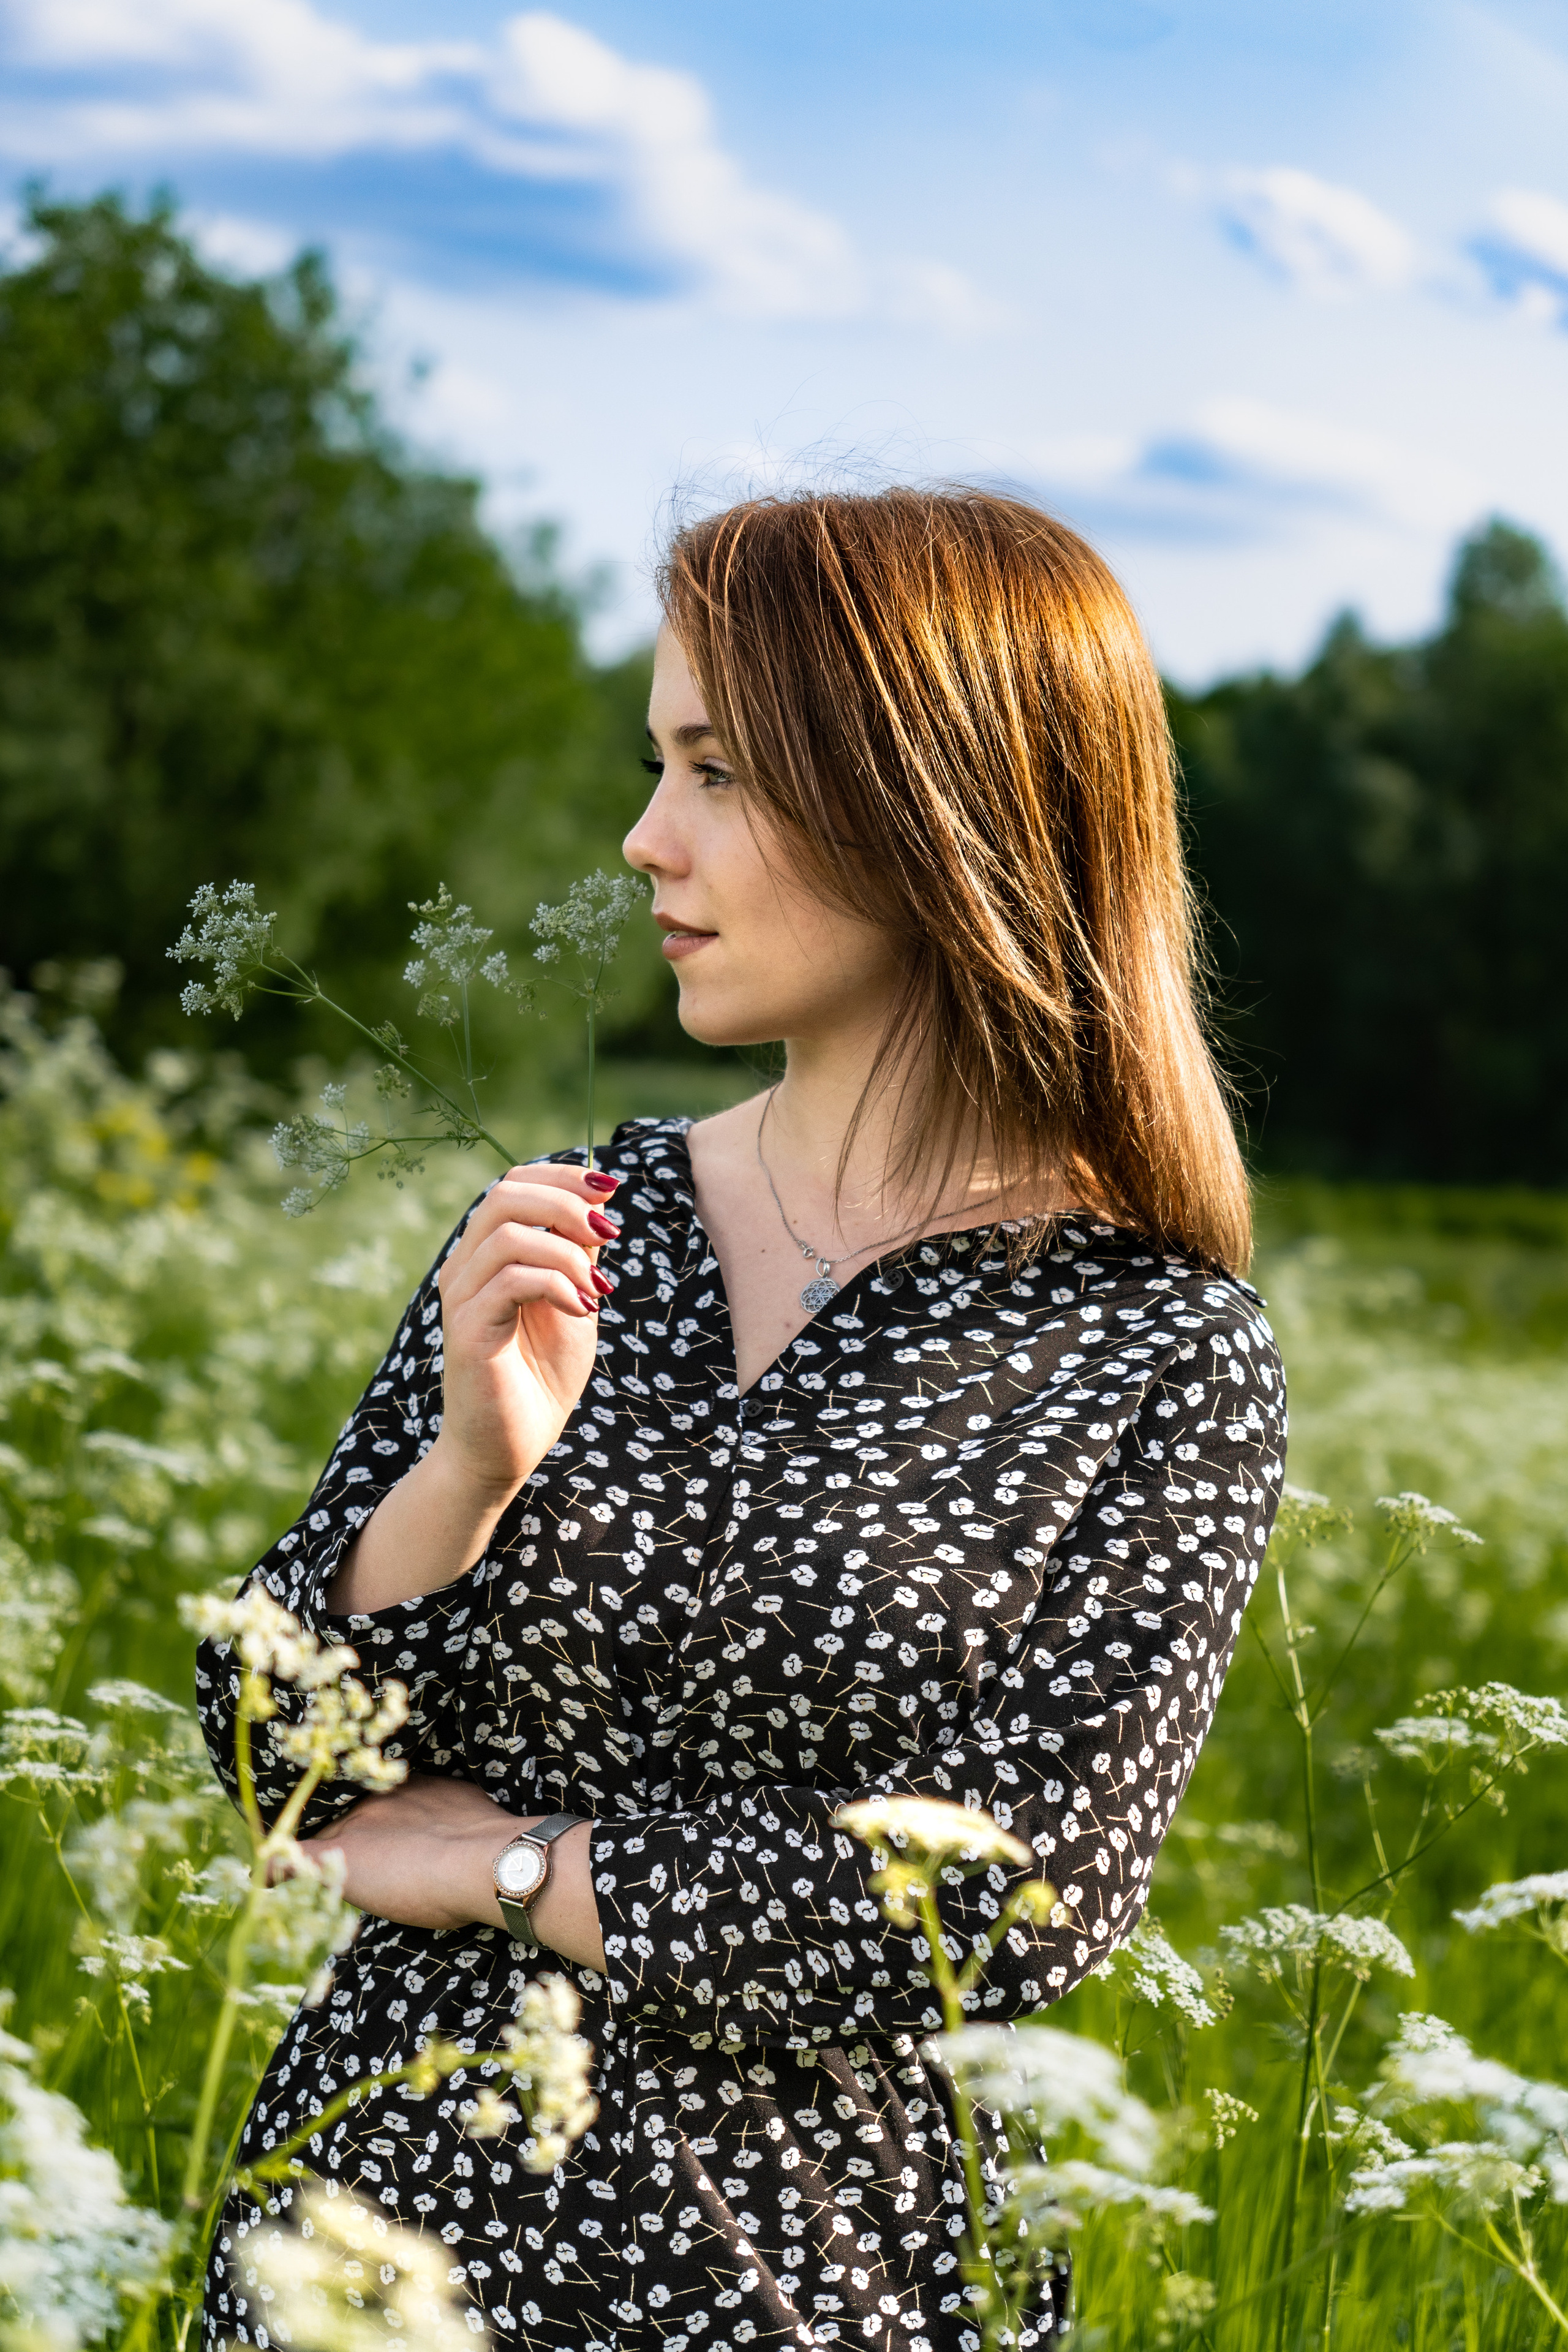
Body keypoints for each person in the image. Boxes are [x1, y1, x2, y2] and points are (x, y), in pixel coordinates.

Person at [197, 486, 1286, 2352]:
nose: (643, 839)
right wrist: (466, 1473)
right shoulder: (574, 1226)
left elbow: (1011, 1896)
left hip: (803, 2283)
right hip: (367, 2249)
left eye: (715, 771)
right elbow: (275, 1753)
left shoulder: (1157, 1353)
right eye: (655, 764)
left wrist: (507, 1866)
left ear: (926, 800)